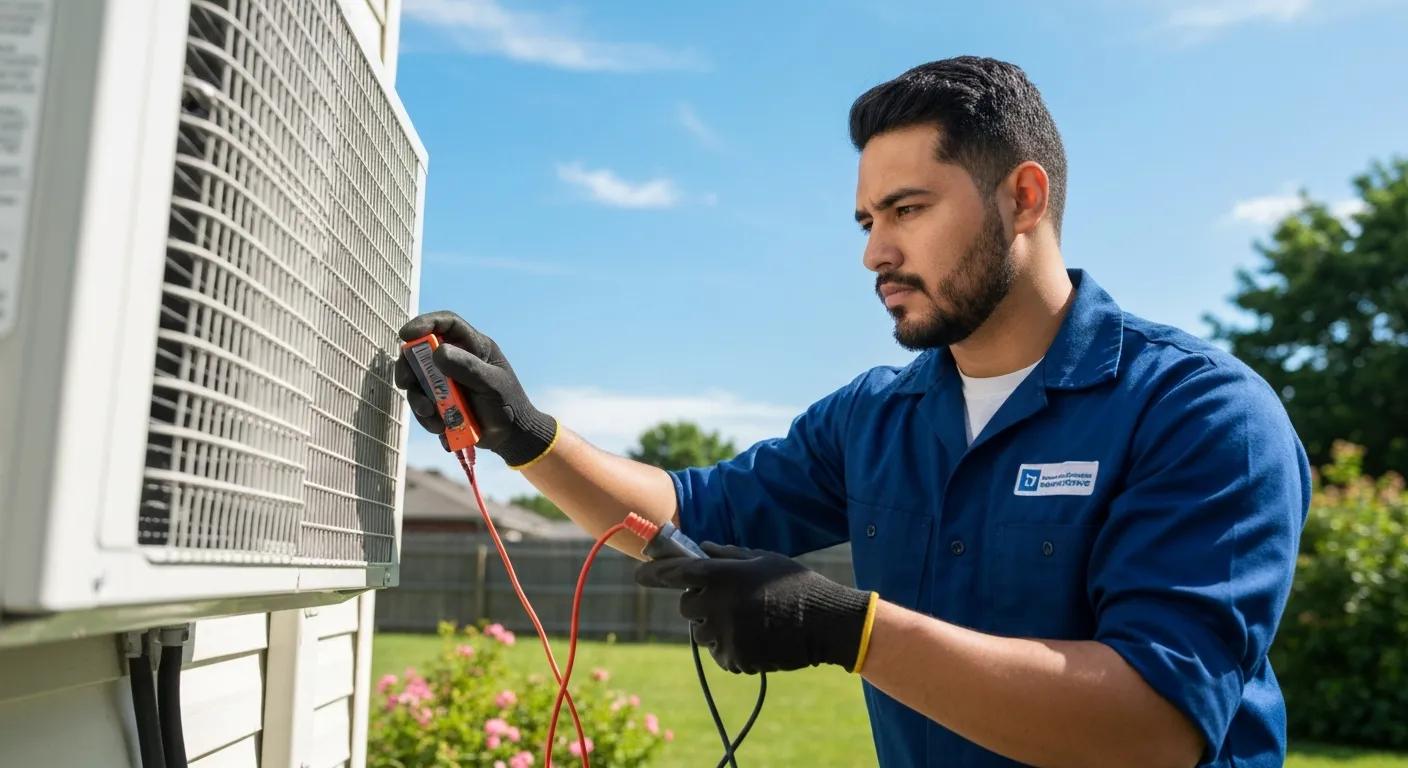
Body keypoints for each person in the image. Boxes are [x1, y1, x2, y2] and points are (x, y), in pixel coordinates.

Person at [395, 56, 1310, 768]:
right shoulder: (875, 419)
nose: (876, 252)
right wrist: (529, 436)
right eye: (866, 220)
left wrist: (847, 628)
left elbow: (1149, 733)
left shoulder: (1202, 414)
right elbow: (680, 514)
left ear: (1022, 198)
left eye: (907, 209)